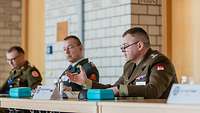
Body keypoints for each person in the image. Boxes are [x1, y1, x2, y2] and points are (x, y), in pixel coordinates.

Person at [67, 27, 178, 99]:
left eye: (125, 46)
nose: (122, 50)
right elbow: (114, 88)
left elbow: (153, 91)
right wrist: (87, 83)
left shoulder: (159, 61)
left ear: (139, 45)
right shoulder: (129, 66)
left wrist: (121, 90)